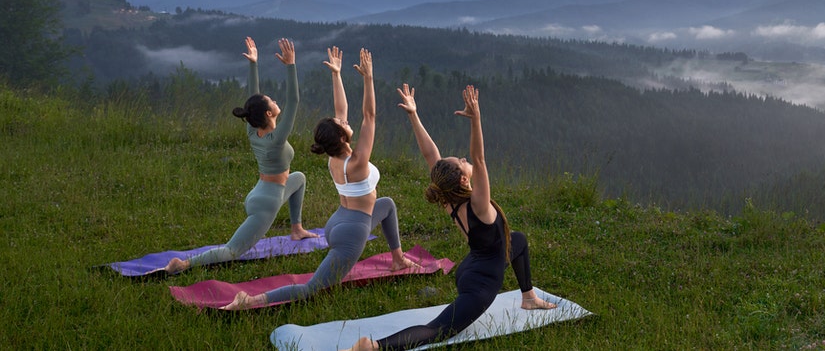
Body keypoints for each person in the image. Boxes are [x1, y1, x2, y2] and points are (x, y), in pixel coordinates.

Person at [345, 83, 555, 351]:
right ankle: (374, 347)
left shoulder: (449, 197)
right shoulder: (478, 205)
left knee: (518, 240)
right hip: (481, 284)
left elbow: (430, 155)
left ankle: (529, 297)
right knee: (438, 330)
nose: (465, 159)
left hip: (468, 269)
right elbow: (479, 159)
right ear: (465, 178)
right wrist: (475, 119)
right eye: (462, 161)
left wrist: (413, 114)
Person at [223, 47, 419, 309]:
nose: (345, 122)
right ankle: (251, 301)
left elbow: (342, 109)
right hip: (352, 232)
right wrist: (368, 78)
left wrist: (336, 75)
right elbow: (369, 116)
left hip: (338, 221)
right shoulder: (358, 162)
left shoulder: (335, 156)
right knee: (311, 288)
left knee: (387, 205)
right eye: (342, 125)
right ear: (341, 137)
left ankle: (398, 259)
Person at [167, 37, 316, 274]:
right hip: (267, 203)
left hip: (259, 192)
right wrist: (291, 66)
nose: (277, 101)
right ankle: (184, 264)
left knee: (299, 178)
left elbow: (253, 100)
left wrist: (254, 64)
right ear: (269, 113)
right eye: (272, 101)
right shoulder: (276, 140)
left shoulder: (252, 128)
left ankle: (296, 228)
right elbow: (294, 100)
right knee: (233, 251)